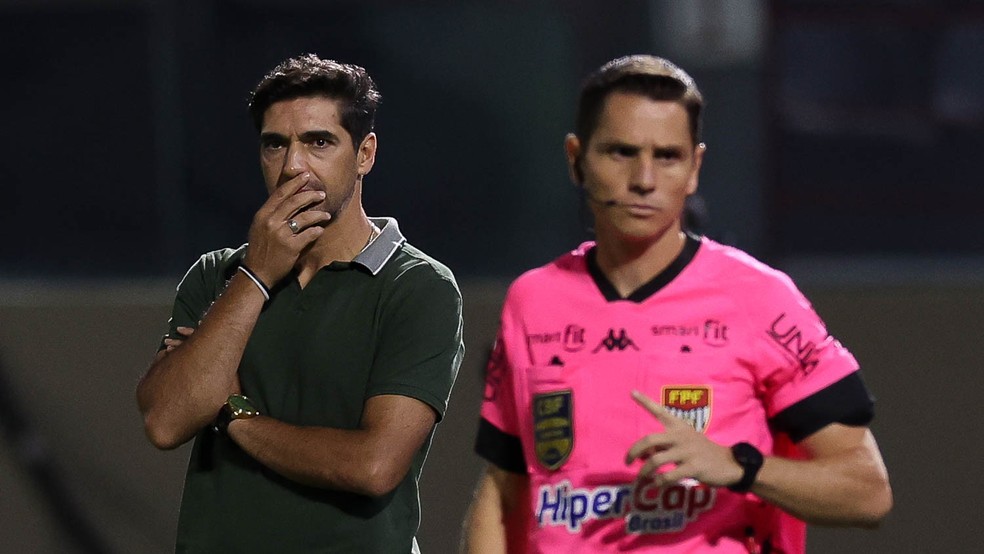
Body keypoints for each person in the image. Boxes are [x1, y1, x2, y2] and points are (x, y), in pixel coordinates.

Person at [462, 55, 891, 553]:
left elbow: (867, 491)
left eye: (667, 156)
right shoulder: (533, 301)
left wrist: (740, 467)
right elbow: (503, 488)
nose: (644, 179)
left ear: (694, 168)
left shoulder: (761, 299)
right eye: (621, 152)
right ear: (576, 158)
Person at [137, 54, 464, 553]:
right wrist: (256, 274)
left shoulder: (418, 286)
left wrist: (236, 417)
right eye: (275, 144)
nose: (293, 166)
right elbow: (165, 421)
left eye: (318, 142)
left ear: (365, 154)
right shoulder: (217, 275)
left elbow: (373, 465)